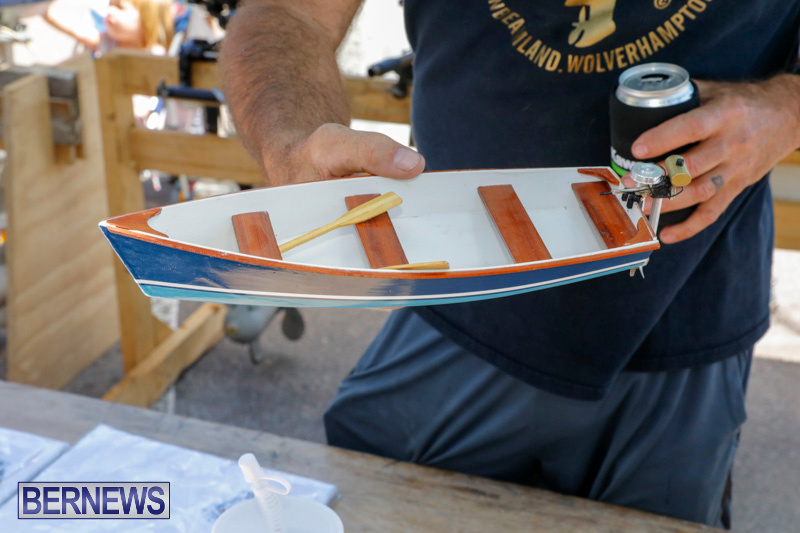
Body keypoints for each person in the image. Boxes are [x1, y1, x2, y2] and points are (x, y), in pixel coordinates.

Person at [219, 1, 800, 528]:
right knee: (371, 508)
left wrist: (785, 110)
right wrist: (292, 143)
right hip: (458, 303)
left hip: (688, 315)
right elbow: (288, 13)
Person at [44, 0, 176, 55]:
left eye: (120, 8)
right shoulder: (108, 42)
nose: (110, 11)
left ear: (148, 21)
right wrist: (44, 11)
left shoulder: (154, 55)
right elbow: (78, 30)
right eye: (111, 5)